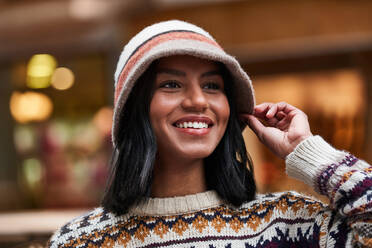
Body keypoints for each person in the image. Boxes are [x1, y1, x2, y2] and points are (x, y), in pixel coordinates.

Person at [48, 20, 371, 247]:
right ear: (134, 109)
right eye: (171, 84)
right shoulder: (81, 241)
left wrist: (307, 151)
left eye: (212, 86)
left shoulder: (286, 225)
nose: (198, 100)